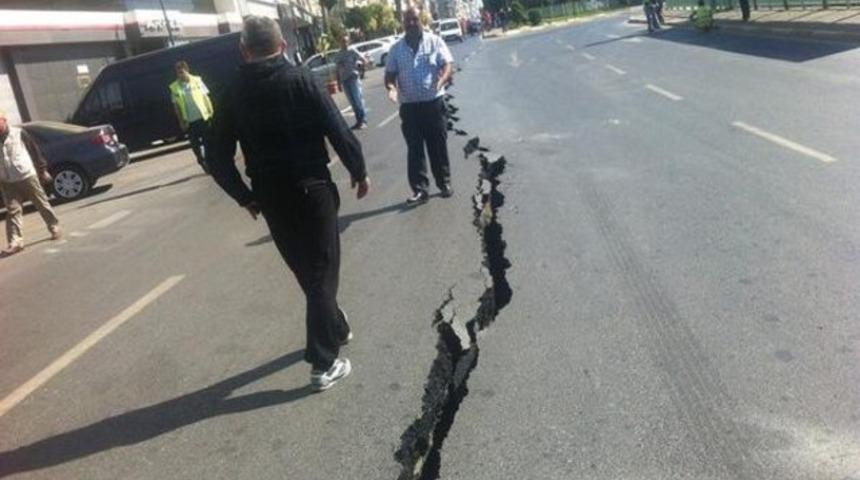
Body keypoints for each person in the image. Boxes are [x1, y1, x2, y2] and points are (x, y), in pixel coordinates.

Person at [207, 16, 371, 392]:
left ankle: (336, 326)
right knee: (322, 271)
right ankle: (323, 363)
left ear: (244, 50)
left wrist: (244, 196)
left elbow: (216, 157)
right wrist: (358, 171)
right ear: (283, 46)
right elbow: (338, 128)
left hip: (270, 196)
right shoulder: (301, 79)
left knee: (306, 270)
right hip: (312, 190)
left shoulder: (231, 92)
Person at [384, 7, 455, 206]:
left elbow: (448, 63)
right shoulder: (396, 49)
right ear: (403, 23)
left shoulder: (434, 41)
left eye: (414, 19)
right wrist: (391, 88)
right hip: (410, 109)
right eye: (407, 20)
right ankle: (419, 190)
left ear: (420, 20)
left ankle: (444, 183)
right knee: (414, 150)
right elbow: (389, 74)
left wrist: (442, 78)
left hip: (433, 104)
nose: (411, 23)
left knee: (437, 147)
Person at [0, 110, 61, 256]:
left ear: (4, 120)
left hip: (26, 174)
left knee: (41, 202)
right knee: (13, 210)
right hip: (7, 180)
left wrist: (42, 170)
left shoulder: (19, 133)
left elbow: (34, 151)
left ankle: (54, 227)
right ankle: (16, 242)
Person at [170, 61, 214, 173]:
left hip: (203, 117)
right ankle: (201, 160)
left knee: (208, 142)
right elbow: (176, 106)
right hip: (190, 121)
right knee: (195, 145)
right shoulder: (174, 87)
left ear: (187, 70)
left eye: (182, 72)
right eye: (178, 72)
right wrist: (181, 122)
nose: (180, 74)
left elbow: (206, 97)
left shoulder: (197, 80)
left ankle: (209, 162)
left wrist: (211, 112)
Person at [335, 35, 369, 130]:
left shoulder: (352, 51)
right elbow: (337, 70)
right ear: (340, 43)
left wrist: (360, 69)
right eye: (342, 41)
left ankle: (363, 121)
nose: (344, 43)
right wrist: (338, 83)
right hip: (344, 80)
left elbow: (364, 61)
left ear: (348, 42)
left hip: (353, 78)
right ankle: (358, 121)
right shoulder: (338, 55)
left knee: (358, 100)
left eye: (346, 41)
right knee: (352, 102)